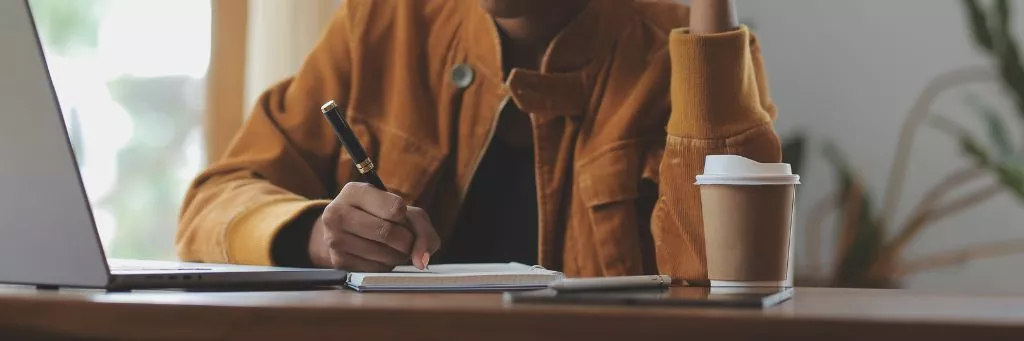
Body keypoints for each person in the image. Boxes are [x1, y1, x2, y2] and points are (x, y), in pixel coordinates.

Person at [176, 0, 780, 281]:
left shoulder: (689, 50)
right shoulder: (383, 25)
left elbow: (727, 279)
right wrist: (314, 234)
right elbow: (215, 203)